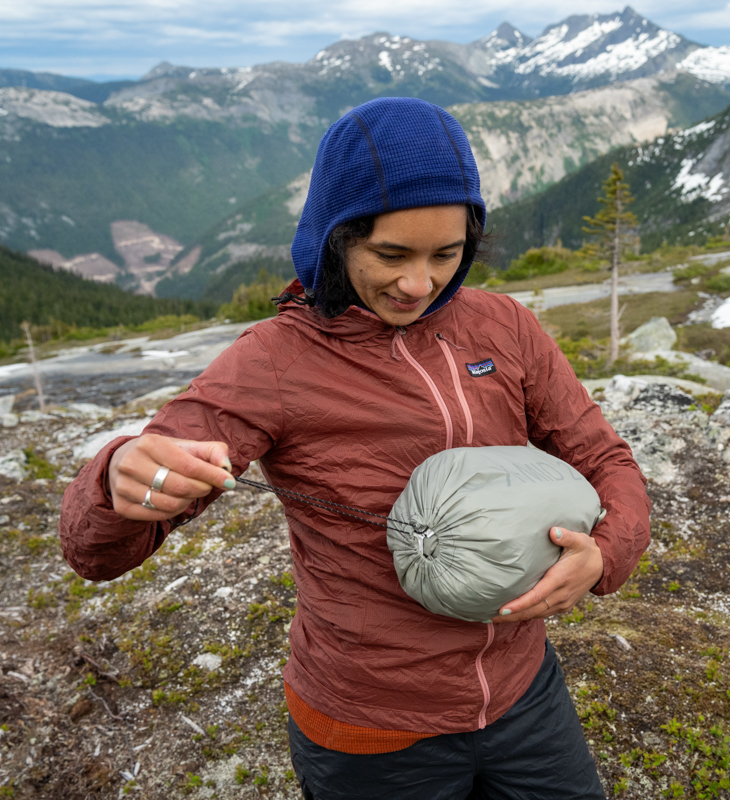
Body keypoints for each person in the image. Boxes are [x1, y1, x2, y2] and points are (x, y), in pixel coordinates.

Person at [60, 96, 651, 799]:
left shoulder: (504, 327)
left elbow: (605, 461)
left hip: (525, 695)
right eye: (391, 254)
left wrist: (605, 556)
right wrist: (118, 480)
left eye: (447, 255)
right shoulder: (272, 362)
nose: (417, 284)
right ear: (336, 237)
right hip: (372, 730)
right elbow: (95, 553)